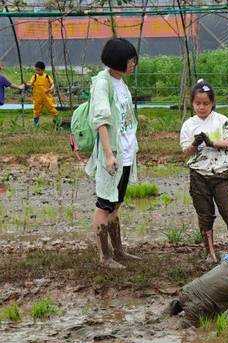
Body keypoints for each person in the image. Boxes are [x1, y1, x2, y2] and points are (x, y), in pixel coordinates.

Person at [85, 38, 141, 269]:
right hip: (113, 154)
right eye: (130, 60)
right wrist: (108, 154)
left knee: (116, 204)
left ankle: (118, 250)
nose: (133, 64)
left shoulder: (121, 83)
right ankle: (105, 255)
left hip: (126, 154)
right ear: (117, 61)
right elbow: (101, 120)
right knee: (104, 204)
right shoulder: (102, 83)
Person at [180, 79, 228, 262]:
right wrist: (195, 143)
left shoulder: (221, 120)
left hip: (220, 173)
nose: (201, 107)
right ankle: (210, 252)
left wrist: (212, 142)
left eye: (205, 103)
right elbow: (185, 153)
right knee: (205, 215)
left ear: (212, 103)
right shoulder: (189, 125)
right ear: (192, 103)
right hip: (198, 174)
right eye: (197, 103)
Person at [24, 61, 59, 127]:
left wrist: (51, 88)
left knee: (52, 109)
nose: (37, 71)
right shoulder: (34, 77)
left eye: (38, 70)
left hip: (47, 97)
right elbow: (30, 84)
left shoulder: (47, 77)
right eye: (36, 70)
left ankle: (58, 121)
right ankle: (36, 124)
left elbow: (52, 84)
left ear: (43, 70)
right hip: (37, 98)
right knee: (36, 110)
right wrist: (26, 84)